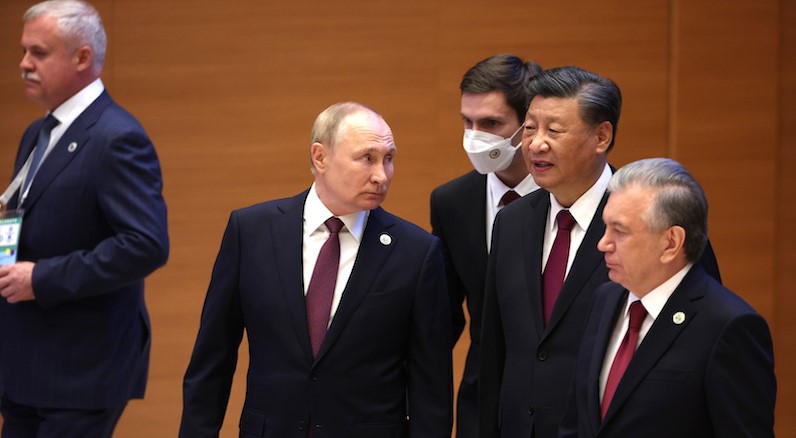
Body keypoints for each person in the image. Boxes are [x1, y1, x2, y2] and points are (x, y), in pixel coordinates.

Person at [180, 102, 452, 437]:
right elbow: (212, 360)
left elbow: (431, 387)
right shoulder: (251, 232)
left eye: (389, 159)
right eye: (367, 158)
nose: (381, 175)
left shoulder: (416, 252)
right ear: (320, 157)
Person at [478, 66, 722, 438]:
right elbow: (494, 350)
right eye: (529, 128)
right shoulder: (511, 222)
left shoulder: (654, 222)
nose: (536, 144)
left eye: (554, 131)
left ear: (601, 136)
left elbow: (700, 342)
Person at [0, 1, 169, 436]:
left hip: (82, 366)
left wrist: (42, 278)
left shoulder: (118, 137)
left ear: (82, 58)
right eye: (23, 51)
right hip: (26, 360)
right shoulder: (37, 133)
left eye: (39, 53)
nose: (24, 64)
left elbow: (145, 244)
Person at [559, 157, 776, 437]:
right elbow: (577, 422)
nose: (603, 243)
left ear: (671, 242)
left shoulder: (728, 327)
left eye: (620, 231)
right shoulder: (605, 299)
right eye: (605, 227)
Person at [429, 53, 541, 437]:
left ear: (528, 125)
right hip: (482, 404)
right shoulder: (451, 202)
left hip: (561, 403)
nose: (475, 135)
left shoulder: (571, 199)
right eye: (468, 122)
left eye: (491, 123)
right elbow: (442, 314)